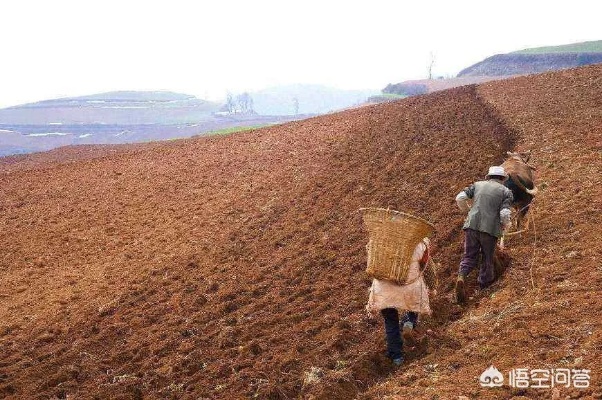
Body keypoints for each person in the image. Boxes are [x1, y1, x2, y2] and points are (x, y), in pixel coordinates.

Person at [366, 237, 436, 366]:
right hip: (410, 286)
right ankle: (409, 322)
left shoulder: (377, 241)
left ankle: (397, 357)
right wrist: (432, 287)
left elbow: (371, 267)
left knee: (390, 320)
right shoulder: (420, 242)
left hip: (385, 289)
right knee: (413, 305)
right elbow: (428, 268)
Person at [455, 165, 513, 303]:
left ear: (489, 176)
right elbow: (504, 213)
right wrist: (506, 225)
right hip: (490, 229)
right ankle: (483, 287)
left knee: (469, 255)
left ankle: (462, 276)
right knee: (488, 258)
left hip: (471, 226)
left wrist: (468, 211)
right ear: (502, 178)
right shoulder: (506, 191)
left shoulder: (477, 185)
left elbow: (459, 198)